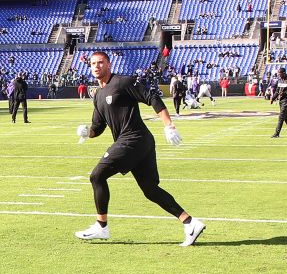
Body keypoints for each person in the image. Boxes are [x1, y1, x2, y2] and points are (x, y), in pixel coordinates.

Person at [74, 51, 205, 247]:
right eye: (93, 63)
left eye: (100, 62)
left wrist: (168, 125)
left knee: (97, 176)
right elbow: (98, 127)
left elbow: (151, 97)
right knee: (150, 190)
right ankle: (190, 223)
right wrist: (87, 133)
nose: (96, 66)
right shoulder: (98, 95)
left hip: (134, 139)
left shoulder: (123, 82)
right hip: (139, 143)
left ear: (109, 64)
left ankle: (101, 226)